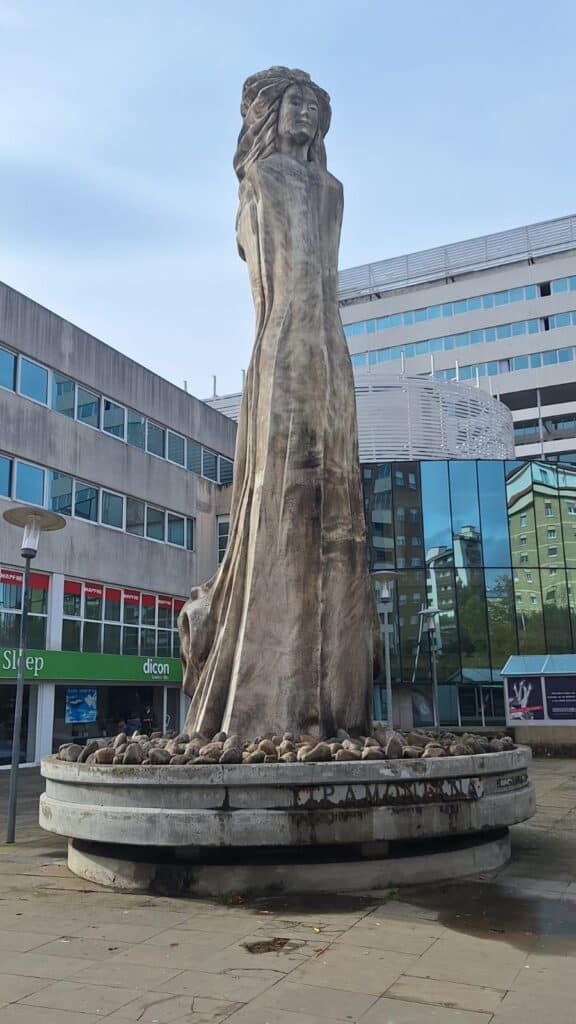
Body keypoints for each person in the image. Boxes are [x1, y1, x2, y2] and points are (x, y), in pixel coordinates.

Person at [179, 67, 380, 738]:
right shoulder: (261, 181)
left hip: (330, 351)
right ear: (271, 113)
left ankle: (339, 700)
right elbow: (267, 273)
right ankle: (268, 698)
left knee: (339, 508)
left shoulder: (332, 190)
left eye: (314, 106)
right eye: (296, 102)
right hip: (284, 345)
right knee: (282, 489)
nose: (306, 114)